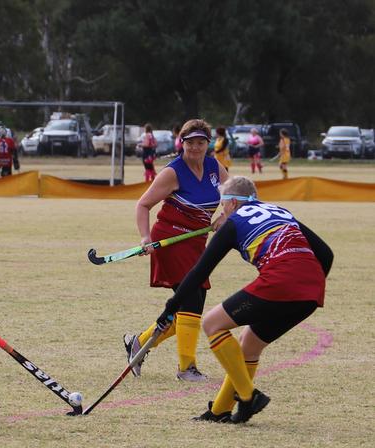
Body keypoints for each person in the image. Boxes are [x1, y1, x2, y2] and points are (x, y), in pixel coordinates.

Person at [153, 176, 333, 423]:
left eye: (223, 204)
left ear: (234, 202)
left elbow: (199, 271)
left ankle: (249, 397)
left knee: (212, 324)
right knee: (249, 344)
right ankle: (220, 410)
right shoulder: (280, 211)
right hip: (311, 292)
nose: (221, 210)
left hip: (282, 282)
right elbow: (326, 253)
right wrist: (308, 282)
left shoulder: (235, 221)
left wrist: (171, 306)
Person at [123, 119, 229, 381]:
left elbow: (238, 195)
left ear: (208, 144)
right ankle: (186, 368)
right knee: (192, 299)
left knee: (189, 307)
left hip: (196, 243)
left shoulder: (216, 167)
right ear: (181, 143)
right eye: (189, 142)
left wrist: (225, 215)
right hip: (170, 240)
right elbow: (143, 205)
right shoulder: (173, 172)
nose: (195, 147)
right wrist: (145, 237)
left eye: (200, 142)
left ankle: (139, 343)